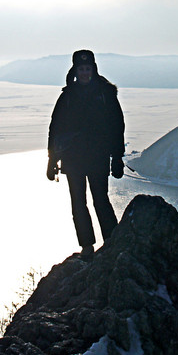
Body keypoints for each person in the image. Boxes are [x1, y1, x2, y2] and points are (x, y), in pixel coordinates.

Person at [46, 50, 125, 260]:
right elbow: (55, 129)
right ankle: (87, 246)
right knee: (78, 203)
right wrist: (51, 160)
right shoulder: (67, 96)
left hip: (98, 157)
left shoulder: (105, 95)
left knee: (101, 200)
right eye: (81, 69)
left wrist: (117, 157)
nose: (84, 73)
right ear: (75, 70)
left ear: (94, 69)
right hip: (73, 159)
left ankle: (111, 243)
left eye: (87, 69)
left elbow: (117, 126)